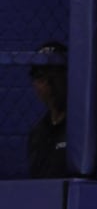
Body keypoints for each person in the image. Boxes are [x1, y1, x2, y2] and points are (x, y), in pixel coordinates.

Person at [26, 41, 70, 178]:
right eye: (40, 76)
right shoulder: (37, 134)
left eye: (55, 74)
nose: (48, 83)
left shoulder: (83, 131)